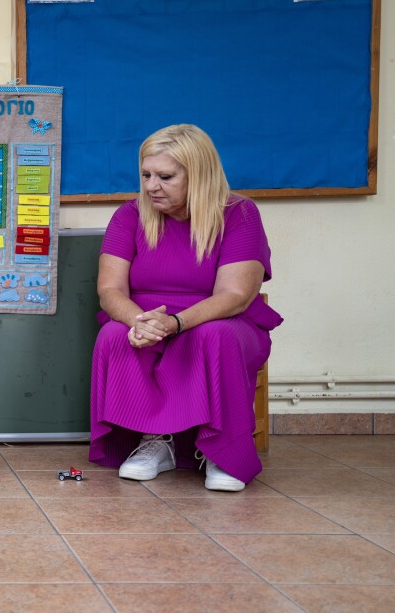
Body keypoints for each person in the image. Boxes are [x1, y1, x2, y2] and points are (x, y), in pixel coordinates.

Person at [90, 124, 284, 492]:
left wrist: (175, 323)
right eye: (145, 175)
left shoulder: (239, 214)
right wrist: (139, 322)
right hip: (147, 318)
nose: (151, 186)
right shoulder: (129, 215)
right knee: (116, 334)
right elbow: (109, 289)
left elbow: (236, 295)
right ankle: (153, 441)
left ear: (199, 175)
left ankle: (221, 450)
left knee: (214, 335)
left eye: (165, 176)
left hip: (220, 320)